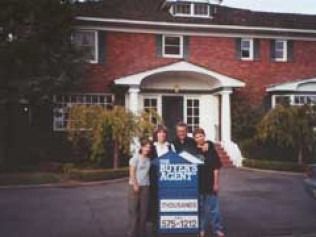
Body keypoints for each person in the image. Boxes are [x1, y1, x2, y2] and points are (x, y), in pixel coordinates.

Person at [193, 128, 225, 237]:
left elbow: (216, 168)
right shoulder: (194, 151)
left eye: (201, 136)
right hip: (198, 184)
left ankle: (217, 229)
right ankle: (201, 229)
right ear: (194, 139)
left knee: (214, 209)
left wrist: (216, 183)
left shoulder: (211, 149)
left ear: (204, 136)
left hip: (210, 183)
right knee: (200, 209)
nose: (199, 138)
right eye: (197, 137)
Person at [128, 138, 152, 237]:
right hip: (135, 187)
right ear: (141, 147)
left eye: (149, 147)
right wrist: (135, 184)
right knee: (134, 211)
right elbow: (132, 172)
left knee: (144, 212)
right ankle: (132, 233)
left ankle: (142, 233)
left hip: (146, 187)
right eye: (145, 147)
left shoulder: (148, 159)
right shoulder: (135, 158)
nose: (147, 149)